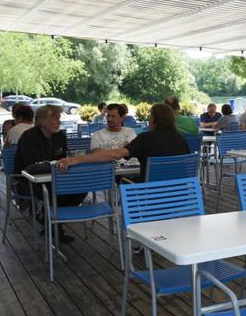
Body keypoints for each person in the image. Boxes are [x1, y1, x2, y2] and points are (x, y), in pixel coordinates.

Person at [56, 103, 189, 178]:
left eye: (150, 116)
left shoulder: (146, 138)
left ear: (154, 120)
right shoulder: (181, 139)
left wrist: (78, 159)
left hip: (150, 194)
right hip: (180, 194)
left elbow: (115, 154)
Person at [14, 105, 82, 242]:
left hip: (54, 179)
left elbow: (64, 159)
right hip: (27, 182)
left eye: (59, 118)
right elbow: (32, 165)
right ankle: (52, 224)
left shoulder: (59, 136)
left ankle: (50, 221)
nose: (59, 122)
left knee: (81, 188)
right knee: (59, 192)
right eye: (55, 118)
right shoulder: (29, 137)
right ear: (42, 121)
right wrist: (57, 164)